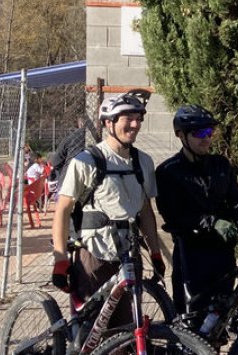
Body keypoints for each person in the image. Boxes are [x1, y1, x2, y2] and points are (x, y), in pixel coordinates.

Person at [51, 93, 165, 327]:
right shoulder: (86, 161)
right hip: (94, 255)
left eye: (138, 118)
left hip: (129, 255)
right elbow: (62, 209)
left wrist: (155, 251)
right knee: (92, 329)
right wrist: (60, 258)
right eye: (127, 118)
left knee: (126, 327)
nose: (135, 124)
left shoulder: (143, 162)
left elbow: (145, 210)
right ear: (108, 123)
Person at [155, 104, 238, 318]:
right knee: (192, 322)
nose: (206, 138)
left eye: (209, 132)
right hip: (191, 255)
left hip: (222, 254)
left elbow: (237, 203)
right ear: (181, 135)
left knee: (218, 319)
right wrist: (212, 222)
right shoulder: (169, 172)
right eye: (199, 133)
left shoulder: (221, 165)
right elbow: (174, 215)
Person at [49, 114, 100, 194]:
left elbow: (56, 161)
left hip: (68, 180)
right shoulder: (102, 139)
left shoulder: (70, 137)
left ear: (80, 124)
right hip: (94, 180)